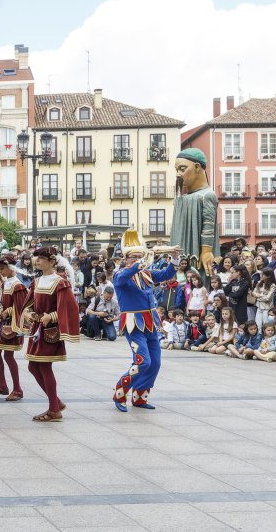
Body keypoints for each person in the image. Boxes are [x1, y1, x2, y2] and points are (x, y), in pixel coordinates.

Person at [111, 231, 178, 413]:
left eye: (140, 256)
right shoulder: (119, 276)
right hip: (133, 323)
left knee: (155, 362)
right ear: (125, 258)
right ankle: (120, 392)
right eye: (134, 256)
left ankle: (140, 397)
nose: (139, 259)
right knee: (143, 362)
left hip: (150, 321)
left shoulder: (146, 273)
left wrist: (174, 258)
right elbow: (126, 275)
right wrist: (143, 261)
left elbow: (166, 274)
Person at [24, 247, 81, 422]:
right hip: (37, 330)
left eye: (41, 258)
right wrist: (27, 312)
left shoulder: (60, 282)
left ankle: (54, 410)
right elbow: (30, 304)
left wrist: (52, 316)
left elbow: (69, 308)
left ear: (51, 261)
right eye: (37, 258)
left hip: (50, 331)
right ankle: (55, 402)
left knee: (44, 367)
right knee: (33, 367)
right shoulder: (37, 281)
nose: (37, 261)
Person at [170, 148, 218, 281]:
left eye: (182, 168)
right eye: (177, 170)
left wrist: (207, 251)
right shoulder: (183, 198)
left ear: (197, 167)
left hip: (196, 258)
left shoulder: (207, 195)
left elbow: (208, 225)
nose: (178, 174)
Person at [0, 259, 27, 401]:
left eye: (3, 268)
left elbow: (21, 307)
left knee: (8, 356)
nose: (0, 271)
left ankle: (17, 389)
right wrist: (1, 310)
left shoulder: (18, 285)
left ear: (11, 268)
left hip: (12, 324)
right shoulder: (6, 283)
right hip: (4, 322)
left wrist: (7, 311)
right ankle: (3, 385)